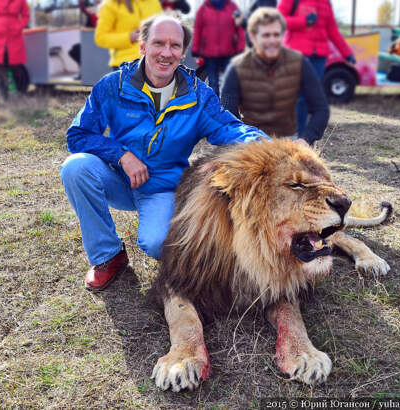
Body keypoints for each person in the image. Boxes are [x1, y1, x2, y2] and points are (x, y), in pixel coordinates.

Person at [60, 14, 267, 291]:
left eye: (175, 46)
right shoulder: (112, 86)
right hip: (119, 177)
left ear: (183, 53)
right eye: (159, 43)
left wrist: (267, 144)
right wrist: (122, 155)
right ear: (143, 46)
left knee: (158, 243)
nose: (166, 53)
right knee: (75, 167)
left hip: (162, 188)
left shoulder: (198, 96)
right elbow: (78, 135)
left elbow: (230, 128)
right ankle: (108, 256)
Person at [220, 7, 329, 145]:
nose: (272, 40)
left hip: (290, 141)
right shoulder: (236, 68)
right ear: (253, 37)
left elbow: (321, 109)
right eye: (266, 35)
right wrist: (246, 139)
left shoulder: (300, 63)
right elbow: (227, 114)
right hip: (251, 143)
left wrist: (306, 139)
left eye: (276, 35)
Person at [277, 0, 355, 135]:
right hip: (297, 54)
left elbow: (332, 30)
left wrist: (347, 53)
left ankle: (303, 136)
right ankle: (296, 134)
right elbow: (278, 21)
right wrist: (303, 21)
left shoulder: (326, 3)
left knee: (310, 97)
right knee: (298, 96)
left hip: (319, 58)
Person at [191, 0, 245, 95]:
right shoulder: (203, 8)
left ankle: (228, 105)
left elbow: (240, 29)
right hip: (210, 54)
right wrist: (195, 48)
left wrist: (240, 48)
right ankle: (215, 107)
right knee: (213, 82)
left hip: (228, 52)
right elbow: (198, 29)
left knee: (230, 81)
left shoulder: (233, 7)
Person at [94, 0, 161, 70]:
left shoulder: (154, 2)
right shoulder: (111, 4)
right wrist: (129, 38)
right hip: (126, 66)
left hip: (154, 64)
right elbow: (100, 37)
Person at [0, 0, 29, 98]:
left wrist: (20, 26)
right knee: (0, 61)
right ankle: (3, 90)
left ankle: (19, 89)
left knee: (15, 62)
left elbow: (26, 15)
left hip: (15, 33)